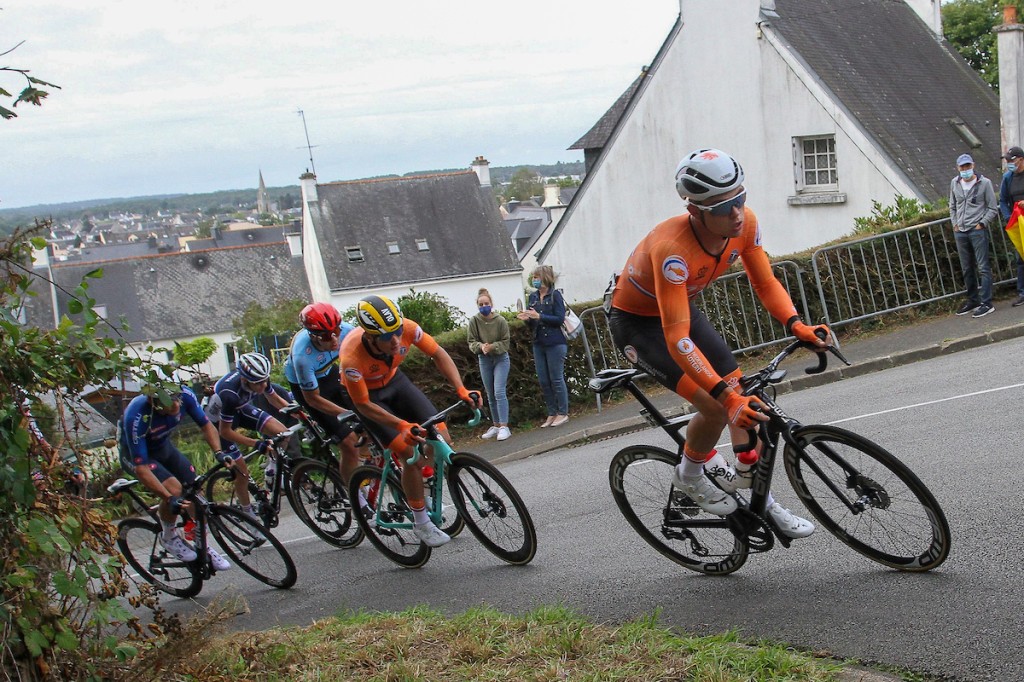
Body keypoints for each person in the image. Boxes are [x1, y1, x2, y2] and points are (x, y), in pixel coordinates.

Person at [607, 148, 829, 539]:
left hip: (681, 310)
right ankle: (690, 477)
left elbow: (763, 282)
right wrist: (726, 400)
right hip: (639, 326)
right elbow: (676, 339)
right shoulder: (672, 250)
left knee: (746, 399)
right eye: (725, 207)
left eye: (741, 199)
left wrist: (796, 324)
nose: (738, 214)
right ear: (696, 211)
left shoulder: (744, 224)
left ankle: (759, 499)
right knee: (715, 405)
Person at [339, 295, 482, 547]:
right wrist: (401, 425)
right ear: (370, 337)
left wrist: (460, 388)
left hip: (395, 381)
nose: (395, 341)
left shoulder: (408, 328)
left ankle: (419, 482)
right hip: (369, 398)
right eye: (385, 337)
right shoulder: (351, 358)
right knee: (407, 453)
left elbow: (438, 353)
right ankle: (421, 522)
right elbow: (362, 404)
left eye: (396, 332)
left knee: (441, 437)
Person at [118, 385, 232, 569]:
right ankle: (169, 537)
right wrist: (169, 498)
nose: (176, 405)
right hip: (137, 457)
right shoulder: (137, 415)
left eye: (177, 399)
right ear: (153, 403)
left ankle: (203, 545)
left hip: (163, 447)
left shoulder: (186, 395)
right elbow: (142, 469)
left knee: (195, 489)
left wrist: (218, 452)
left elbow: (206, 425)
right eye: (169, 403)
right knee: (174, 489)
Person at [284, 302, 364, 486]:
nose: (335, 340)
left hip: (330, 373)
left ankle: (367, 465)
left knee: (369, 418)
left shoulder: (348, 332)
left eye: (336, 330)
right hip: (311, 391)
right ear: (313, 336)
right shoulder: (302, 356)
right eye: (327, 336)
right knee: (349, 444)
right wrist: (346, 413)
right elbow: (313, 399)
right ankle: (355, 497)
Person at [204, 351, 289, 504]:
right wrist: (256, 444)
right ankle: (247, 511)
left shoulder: (259, 377)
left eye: (265, 380)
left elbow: (273, 398)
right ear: (244, 379)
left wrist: (300, 414)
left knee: (283, 432)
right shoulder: (229, 394)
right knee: (241, 473)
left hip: (240, 409)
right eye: (259, 383)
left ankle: (272, 471)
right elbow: (225, 431)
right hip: (219, 424)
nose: (264, 385)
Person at [516, 265, 570, 428]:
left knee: (556, 378)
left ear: (545, 277)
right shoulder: (532, 297)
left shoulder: (555, 295)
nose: (534, 280)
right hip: (538, 342)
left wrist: (540, 316)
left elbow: (559, 319)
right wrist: (527, 319)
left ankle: (563, 412)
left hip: (555, 342)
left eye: (537, 277)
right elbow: (533, 324)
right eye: (533, 277)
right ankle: (552, 412)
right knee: (544, 380)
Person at [949, 153, 998, 318]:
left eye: (968, 166)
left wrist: (982, 224)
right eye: (962, 167)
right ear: (958, 168)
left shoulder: (984, 183)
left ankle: (986, 302)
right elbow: (952, 206)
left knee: (983, 267)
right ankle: (973, 300)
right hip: (961, 231)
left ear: (973, 166)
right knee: (967, 268)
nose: (965, 170)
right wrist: (955, 223)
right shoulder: (954, 183)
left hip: (977, 230)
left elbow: (992, 208)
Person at [467, 288, 512, 441]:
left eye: (486, 303)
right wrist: (481, 347)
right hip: (484, 359)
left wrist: (492, 347)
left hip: (500, 358)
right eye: (481, 304)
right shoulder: (474, 321)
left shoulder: (500, 321)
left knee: (499, 391)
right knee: (490, 393)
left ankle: (505, 426)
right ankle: (496, 424)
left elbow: (506, 342)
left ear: (491, 304)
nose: (484, 306)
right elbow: (471, 341)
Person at [1000, 146, 1024, 308]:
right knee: (1021, 258)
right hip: (1018, 224)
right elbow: (1002, 200)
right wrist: (1009, 218)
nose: (1009, 163)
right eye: (1007, 161)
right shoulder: (1007, 178)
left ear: (1021, 159)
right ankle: (1022, 292)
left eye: (1012, 160)